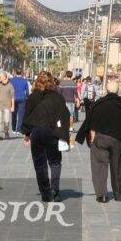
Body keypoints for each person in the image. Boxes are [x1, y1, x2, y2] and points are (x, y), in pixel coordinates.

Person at [76, 79, 121, 202]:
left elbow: (91, 122)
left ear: (106, 90)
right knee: (117, 166)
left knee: (99, 165)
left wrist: (92, 137)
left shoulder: (99, 103)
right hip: (118, 139)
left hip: (101, 138)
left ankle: (102, 194)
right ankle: (118, 193)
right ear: (118, 90)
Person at [22, 71, 71, 202]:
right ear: (51, 82)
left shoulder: (33, 97)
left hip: (37, 132)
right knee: (55, 162)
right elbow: (65, 115)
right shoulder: (57, 97)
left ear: (37, 81)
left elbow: (27, 116)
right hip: (53, 132)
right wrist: (65, 134)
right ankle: (55, 190)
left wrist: (27, 134)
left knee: (40, 164)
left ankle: (45, 193)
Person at [0, 73, 15, 140]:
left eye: (0, 77)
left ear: (5, 77)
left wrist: (12, 106)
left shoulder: (10, 86)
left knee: (6, 121)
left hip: (7, 106)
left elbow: (13, 97)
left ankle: (6, 131)